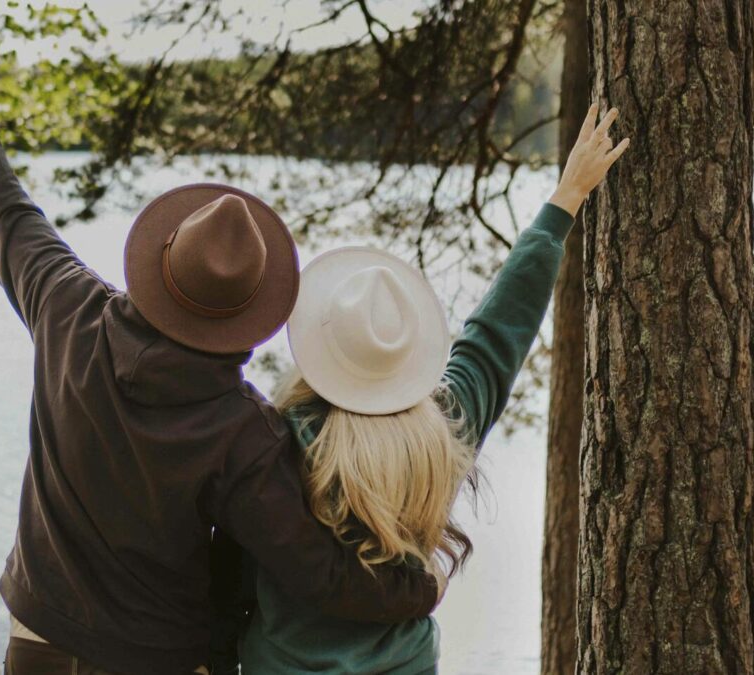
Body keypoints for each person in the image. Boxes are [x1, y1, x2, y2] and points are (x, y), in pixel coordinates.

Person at [0, 3, 440, 674]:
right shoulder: (244, 432)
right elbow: (316, 572)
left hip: (38, 646)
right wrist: (420, 587)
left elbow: (3, 206)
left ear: (161, 260)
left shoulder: (68, 308)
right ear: (249, 313)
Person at [233, 104, 629, 674]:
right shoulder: (442, 429)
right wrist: (564, 201)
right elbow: (498, 331)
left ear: (317, 349)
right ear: (407, 353)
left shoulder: (275, 440)